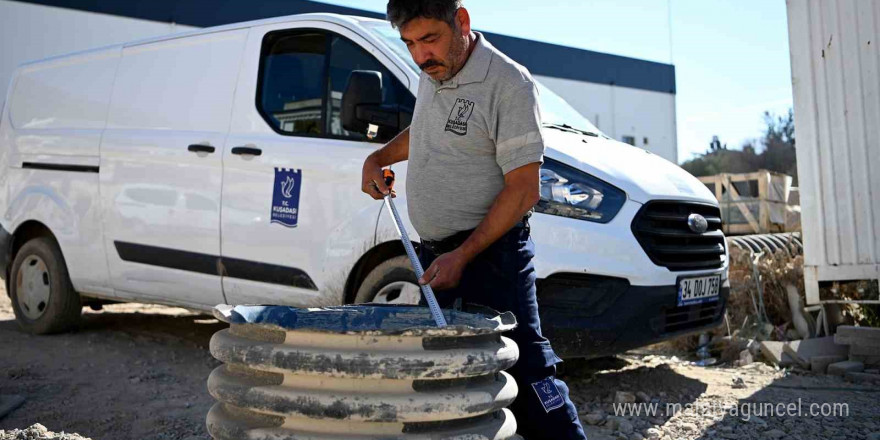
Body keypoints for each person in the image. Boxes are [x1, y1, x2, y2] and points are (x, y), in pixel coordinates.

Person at [360, 1, 587, 439]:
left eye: (430, 39)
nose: (421, 55)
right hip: (439, 258)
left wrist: (462, 255)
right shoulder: (437, 70)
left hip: (491, 259)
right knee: (452, 379)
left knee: (526, 373)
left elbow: (524, 189)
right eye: (410, 43)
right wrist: (380, 155)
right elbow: (428, 130)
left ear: (461, 21)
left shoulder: (509, 83)